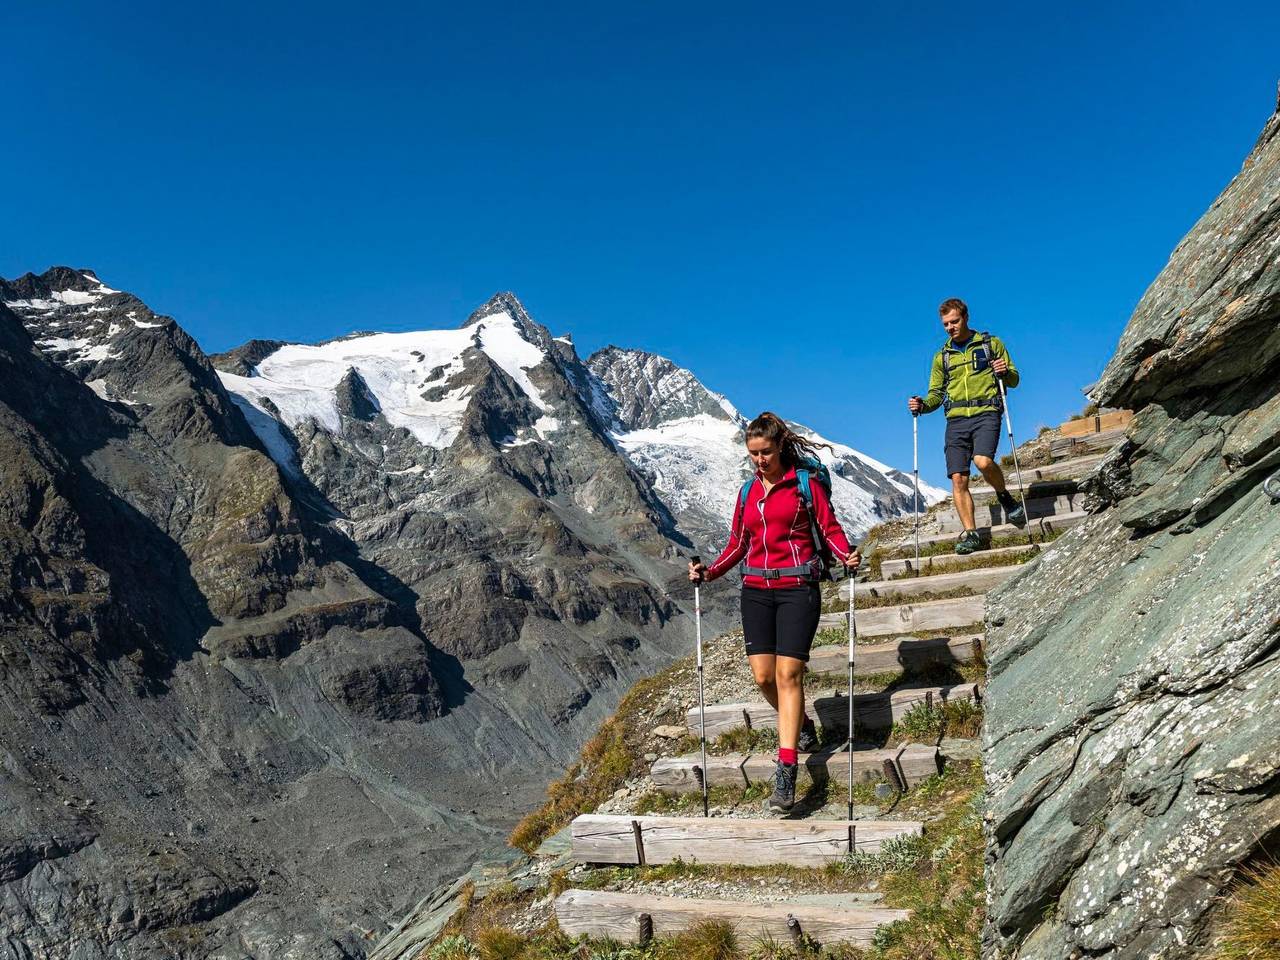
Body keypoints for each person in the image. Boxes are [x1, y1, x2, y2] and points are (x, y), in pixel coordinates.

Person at [688, 412, 861, 814]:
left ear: (780, 446)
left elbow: (829, 528)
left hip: (798, 587)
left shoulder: (805, 485)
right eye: (753, 454)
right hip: (756, 591)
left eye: (765, 452)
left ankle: (786, 772)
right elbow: (738, 542)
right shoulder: (748, 493)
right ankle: (800, 726)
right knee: (764, 677)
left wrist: (845, 554)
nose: (759, 460)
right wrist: (709, 572)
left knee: (788, 674)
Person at [908, 298, 1025, 555]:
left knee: (983, 461)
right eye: (945, 324)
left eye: (954, 321)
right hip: (956, 419)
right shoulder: (942, 357)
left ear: (966, 318)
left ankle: (1004, 496)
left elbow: (1014, 380)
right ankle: (971, 534)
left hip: (986, 412)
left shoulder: (991, 344)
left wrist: (1004, 371)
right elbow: (936, 395)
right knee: (958, 478)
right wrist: (922, 405)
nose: (950, 327)